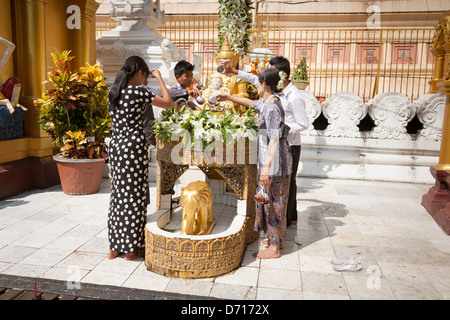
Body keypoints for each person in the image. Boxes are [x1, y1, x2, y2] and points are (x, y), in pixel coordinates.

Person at [221, 56, 308, 228]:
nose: (259, 82)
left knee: (284, 188)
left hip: (288, 144)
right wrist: (233, 76)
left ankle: (284, 223)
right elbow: (255, 84)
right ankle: (282, 223)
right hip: (272, 146)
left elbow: (302, 124)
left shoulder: (293, 97)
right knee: (275, 190)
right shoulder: (270, 98)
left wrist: (279, 128)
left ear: (280, 75)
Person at [217, 68, 292, 259]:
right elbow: (250, 102)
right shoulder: (267, 102)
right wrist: (229, 97)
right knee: (272, 202)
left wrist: (266, 169)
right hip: (273, 164)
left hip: (276, 166)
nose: (256, 85)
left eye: (258, 83)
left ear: (265, 84)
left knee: (273, 204)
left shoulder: (273, 107)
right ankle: (276, 240)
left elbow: (274, 140)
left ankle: (274, 248)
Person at [107, 56, 173, 261]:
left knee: (118, 196)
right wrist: (160, 78)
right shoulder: (138, 92)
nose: (145, 81)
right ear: (139, 73)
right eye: (145, 77)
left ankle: (114, 247)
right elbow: (169, 103)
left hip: (116, 148)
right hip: (133, 149)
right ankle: (132, 249)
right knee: (134, 197)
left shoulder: (112, 92)